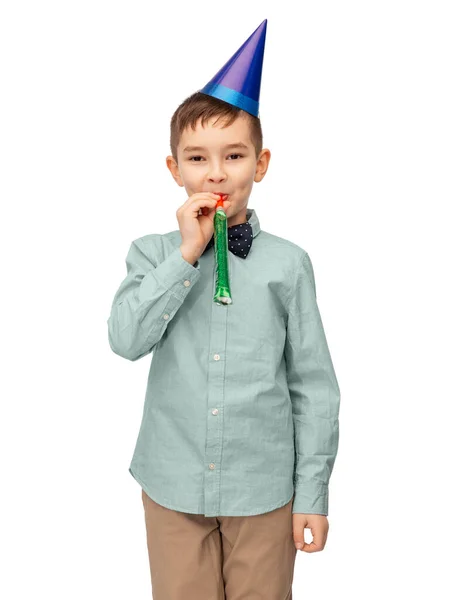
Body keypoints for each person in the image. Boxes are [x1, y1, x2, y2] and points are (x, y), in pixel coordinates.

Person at [107, 18, 340, 600]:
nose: (216, 173)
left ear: (260, 165)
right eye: (197, 158)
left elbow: (314, 385)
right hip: (171, 481)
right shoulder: (151, 253)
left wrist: (311, 495)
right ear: (174, 170)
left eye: (234, 155)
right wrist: (186, 254)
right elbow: (125, 338)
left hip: (264, 491)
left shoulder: (289, 265)